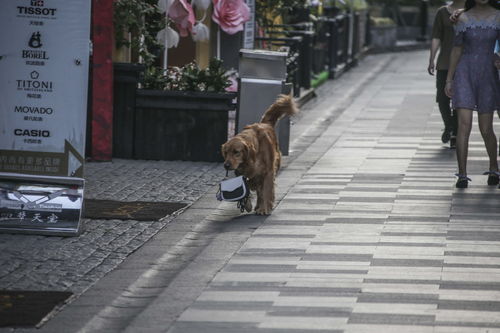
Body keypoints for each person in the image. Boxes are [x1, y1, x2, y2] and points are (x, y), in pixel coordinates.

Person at [445, 0, 500, 188]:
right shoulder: (463, 17)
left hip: (489, 75)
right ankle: (462, 174)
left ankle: (494, 167)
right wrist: (449, 79)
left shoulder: (498, 16)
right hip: (464, 73)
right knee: (464, 125)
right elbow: (457, 48)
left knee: (486, 128)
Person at [428, 0, 465, 148]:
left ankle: (455, 132)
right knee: (442, 98)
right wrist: (432, 59)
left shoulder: (471, 12)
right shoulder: (442, 12)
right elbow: (436, 36)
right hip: (444, 62)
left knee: (459, 100)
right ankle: (449, 126)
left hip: (464, 63)